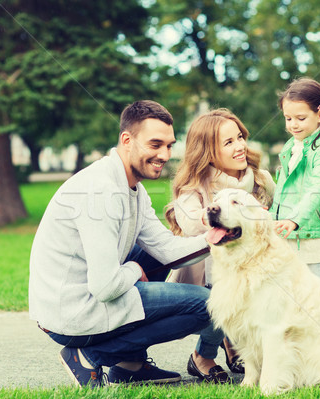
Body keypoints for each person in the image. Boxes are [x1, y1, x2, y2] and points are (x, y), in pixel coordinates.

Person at [29, 100, 214, 388]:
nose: (164, 154)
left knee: (152, 255)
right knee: (206, 306)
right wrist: (131, 269)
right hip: (71, 313)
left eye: (169, 145)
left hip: (89, 295)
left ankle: (130, 366)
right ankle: (88, 356)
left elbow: (166, 249)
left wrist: (216, 238)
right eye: (155, 144)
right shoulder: (100, 191)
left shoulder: (134, 190)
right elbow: (105, 287)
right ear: (127, 140)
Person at [164, 108, 320, 382]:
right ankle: (203, 355)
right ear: (207, 152)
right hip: (208, 273)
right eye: (228, 143)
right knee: (222, 298)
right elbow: (190, 222)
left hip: (252, 269)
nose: (239, 146)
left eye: (240, 137)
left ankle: (244, 346)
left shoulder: (260, 179)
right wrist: (221, 213)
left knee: (265, 294)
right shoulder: (194, 187)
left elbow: (290, 210)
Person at [270, 77, 320, 282]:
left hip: (314, 237)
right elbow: (282, 190)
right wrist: (272, 217)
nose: (293, 125)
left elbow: (318, 188)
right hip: (289, 236)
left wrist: (293, 219)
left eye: (300, 118)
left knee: (316, 298)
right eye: (288, 119)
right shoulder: (291, 146)